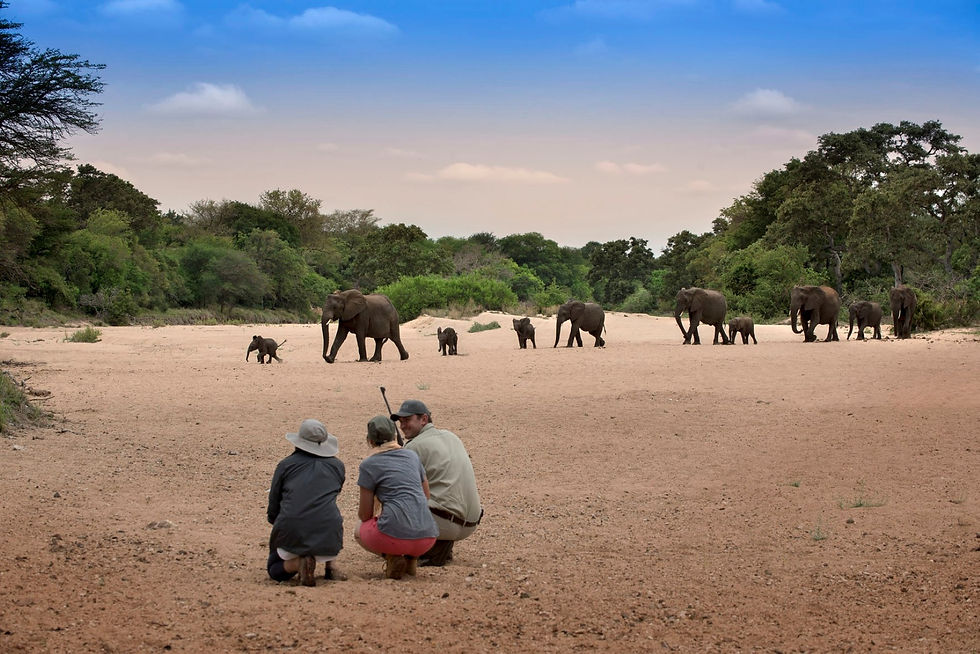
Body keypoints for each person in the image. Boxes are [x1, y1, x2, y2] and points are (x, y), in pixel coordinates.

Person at [390, 400, 482, 566]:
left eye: (407, 420)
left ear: (423, 419)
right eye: (400, 422)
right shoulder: (451, 436)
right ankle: (440, 544)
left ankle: (429, 549)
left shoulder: (414, 447)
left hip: (446, 523)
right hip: (471, 523)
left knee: (392, 506)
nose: (402, 426)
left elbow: (400, 489)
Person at [356, 415, 439, 579]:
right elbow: (426, 495)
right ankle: (411, 559)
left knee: (359, 529)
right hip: (428, 537)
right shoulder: (412, 457)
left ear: (370, 441)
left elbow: (365, 514)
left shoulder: (368, 465)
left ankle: (392, 557)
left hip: (394, 537)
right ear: (395, 435)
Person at [267, 418, 346, 587]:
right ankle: (331, 564)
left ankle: (297, 564)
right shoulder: (338, 465)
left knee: (273, 568)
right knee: (327, 512)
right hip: (329, 533)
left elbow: (274, 503)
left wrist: (277, 524)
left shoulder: (286, 465)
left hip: (292, 527)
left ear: (298, 442)